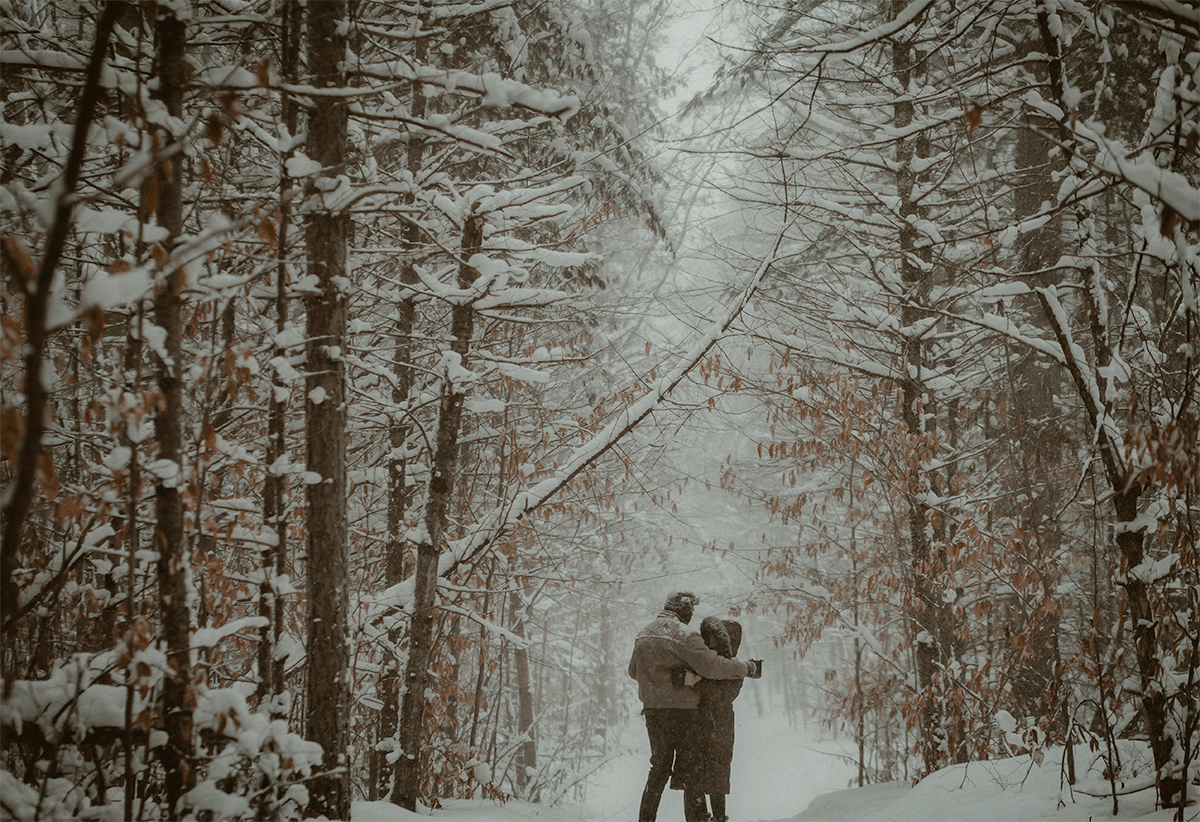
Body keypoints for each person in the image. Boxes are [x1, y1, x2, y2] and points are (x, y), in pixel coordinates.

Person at [627, 592, 758, 822]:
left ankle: (645, 820)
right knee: (692, 769)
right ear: (684, 608)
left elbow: (633, 671)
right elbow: (713, 666)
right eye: (691, 609)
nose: (692, 614)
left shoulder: (643, 634)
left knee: (658, 768)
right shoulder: (684, 635)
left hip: (653, 713)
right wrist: (746, 668)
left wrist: (657, 685)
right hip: (683, 714)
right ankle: (696, 819)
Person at [683, 617, 745, 822]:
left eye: (714, 639)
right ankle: (697, 818)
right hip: (698, 723)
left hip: (720, 726)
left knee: (716, 774)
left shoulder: (735, 668)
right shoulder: (703, 662)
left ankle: (719, 817)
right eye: (708, 638)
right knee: (693, 774)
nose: (710, 643)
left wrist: (695, 682)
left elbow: (720, 697)